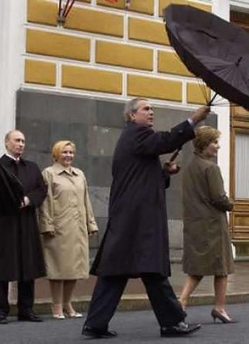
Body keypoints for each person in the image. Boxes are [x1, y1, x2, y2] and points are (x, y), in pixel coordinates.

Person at [81, 97, 210, 339]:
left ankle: (95, 323)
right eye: (146, 109)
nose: (151, 112)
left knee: (115, 271)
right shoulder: (137, 134)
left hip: (130, 216)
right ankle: (172, 323)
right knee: (152, 270)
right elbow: (166, 140)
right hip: (137, 219)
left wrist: (164, 172)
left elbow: (141, 179)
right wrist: (194, 119)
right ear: (132, 116)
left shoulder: (135, 139)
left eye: (152, 109)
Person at [0, 130, 47, 324]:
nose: (21, 144)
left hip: (26, 221)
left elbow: (41, 190)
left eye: (23, 141)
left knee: (28, 264)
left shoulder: (32, 167)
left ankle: (26, 309)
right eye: (17, 140)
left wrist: (27, 200)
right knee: (4, 265)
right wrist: (9, 200)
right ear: (7, 143)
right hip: (5, 222)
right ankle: (0, 310)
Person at [179, 126, 235, 323]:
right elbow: (219, 198)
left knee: (197, 268)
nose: (217, 147)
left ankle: (182, 301)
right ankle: (220, 308)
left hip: (194, 223)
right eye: (214, 142)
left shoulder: (189, 167)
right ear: (204, 144)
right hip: (212, 224)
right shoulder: (211, 168)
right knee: (222, 268)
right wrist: (231, 204)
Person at [39, 140, 99, 320]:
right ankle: (56, 305)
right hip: (59, 228)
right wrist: (47, 225)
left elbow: (85, 200)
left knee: (74, 268)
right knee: (58, 269)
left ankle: (67, 303)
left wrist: (91, 223)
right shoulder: (49, 174)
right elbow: (45, 202)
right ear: (56, 154)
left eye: (71, 152)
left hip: (77, 227)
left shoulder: (79, 174)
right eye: (64, 152)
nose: (68, 156)